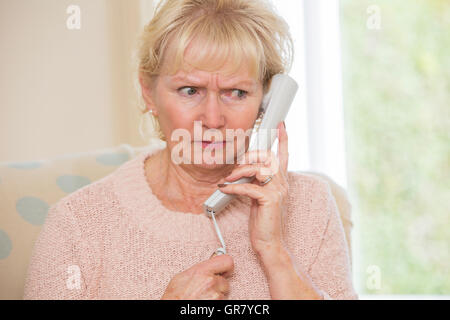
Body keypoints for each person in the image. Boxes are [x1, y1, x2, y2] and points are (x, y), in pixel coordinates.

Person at [23, 0, 358, 300]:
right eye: (189, 90)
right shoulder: (77, 225)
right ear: (149, 92)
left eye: (237, 93)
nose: (212, 119)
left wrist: (274, 251)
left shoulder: (311, 205)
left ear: (267, 104)